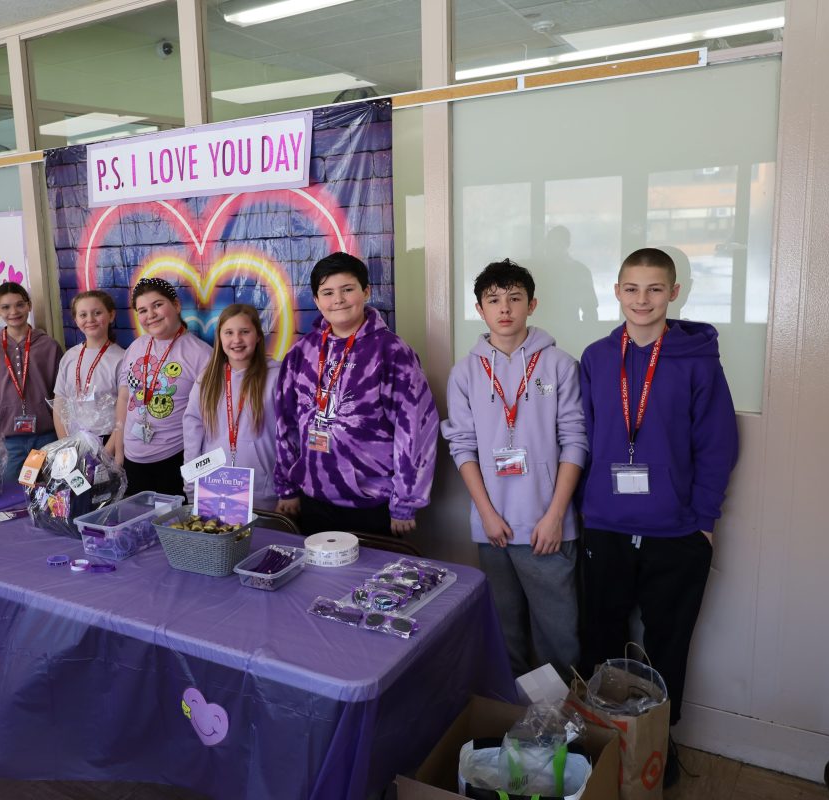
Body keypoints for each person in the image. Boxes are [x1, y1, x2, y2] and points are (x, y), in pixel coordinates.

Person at [578, 247, 738, 788]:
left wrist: (704, 520)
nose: (642, 300)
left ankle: (656, 745)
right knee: (601, 635)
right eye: (631, 289)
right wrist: (583, 509)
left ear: (674, 292)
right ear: (617, 292)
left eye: (654, 289)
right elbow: (583, 436)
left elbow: (717, 444)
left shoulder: (696, 360)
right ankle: (605, 743)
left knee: (668, 642)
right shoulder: (598, 357)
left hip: (676, 529)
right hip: (606, 524)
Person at [442, 259, 586, 679]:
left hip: (548, 527)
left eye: (514, 298)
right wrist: (485, 513)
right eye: (494, 300)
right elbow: (462, 445)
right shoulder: (465, 372)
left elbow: (575, 441)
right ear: (480, 309)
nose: (504, 308)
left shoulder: (560, 365)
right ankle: (520, 723)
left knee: (558, 634)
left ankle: (563, 728)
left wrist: (556, 516)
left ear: (532, 304)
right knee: (506, 633)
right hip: (495, 529)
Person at [274, 251, 438, 536]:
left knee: (371, 581)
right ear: (316, 301)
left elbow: (415, 428)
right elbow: (284, 422)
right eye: (327, 292)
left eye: (347, 289)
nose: (337, 300)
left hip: (372, 503)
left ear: (366, 291)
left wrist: (405, 501)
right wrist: (286, 486)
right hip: (313, 498)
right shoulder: (302, 352)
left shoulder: (391, 352)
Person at [110, 277, 212, 496]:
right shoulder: (137, 346)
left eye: (157, 305)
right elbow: (124, 398)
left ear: (176, 305)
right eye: (143, 310)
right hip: (133, 459)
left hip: (173, 459)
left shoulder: (201, 354)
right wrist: (119, 452)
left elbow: (207, 420)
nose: (151, 315)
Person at [183, 304, 280, 509]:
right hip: (215, 492)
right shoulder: (207, 379)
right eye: (229, 333)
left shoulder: (277, 376)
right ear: (220, 338)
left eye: (245, 332)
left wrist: (289, 491)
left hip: (266, 495)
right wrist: (192, 489)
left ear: (258, 337)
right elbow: (193, 436)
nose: (236, 340)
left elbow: (291, 438)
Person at [0, 281, 63, 482]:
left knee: (48, 492)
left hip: (46, 435)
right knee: (10, 496)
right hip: (8, 439)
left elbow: (61, 394)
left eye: (20, 304)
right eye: (5, 307)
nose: (13, 311)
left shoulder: (49, 345)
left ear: (29, 305)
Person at [52, 290, 125, 439]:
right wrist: (66, 444)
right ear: (76, 320)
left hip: (108, 440)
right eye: (83, 315)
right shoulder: (69, 357)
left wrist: (107, 453)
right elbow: (59, 405)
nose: (90, 319)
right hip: (73, 439)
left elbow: (124, 414)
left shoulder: (121, 358)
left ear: (111, 316)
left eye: (97, 313)